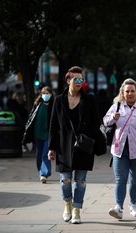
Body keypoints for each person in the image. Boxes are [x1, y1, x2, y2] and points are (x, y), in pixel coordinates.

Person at [48, 66, 102, 224]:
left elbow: (96, 122)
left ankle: (77, 210)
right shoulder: (59, 100)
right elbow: (53, 126)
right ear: (68, 80)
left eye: (81, 79)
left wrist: (88, 136)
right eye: (76, 79)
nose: (80, 82)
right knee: (65, 180)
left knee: (80, 181)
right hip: (63, 146)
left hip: (83, 146)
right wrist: (51, 148)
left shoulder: (89, 99)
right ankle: (67, 204)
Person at [103, 78, 136, 220]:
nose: (130, 93)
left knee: (135, 180)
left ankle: (133, 205)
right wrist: (113, 117)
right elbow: (105, 121)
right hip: (119, 150)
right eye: (127, 91)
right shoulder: (117, 106)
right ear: (123, 92)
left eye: (132, 91)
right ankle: (118, 207)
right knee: (120, 179)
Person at [23, 86, 54, 183]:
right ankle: (42, 171)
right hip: (37, 134)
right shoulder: (37, 105)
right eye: (43, 93)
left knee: (45, 154)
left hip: (47, 135)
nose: (45, 95)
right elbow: (31, 118)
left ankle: (43, 173)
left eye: (47, 93)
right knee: (39, 155)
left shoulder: (53, 106)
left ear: (51, 94)